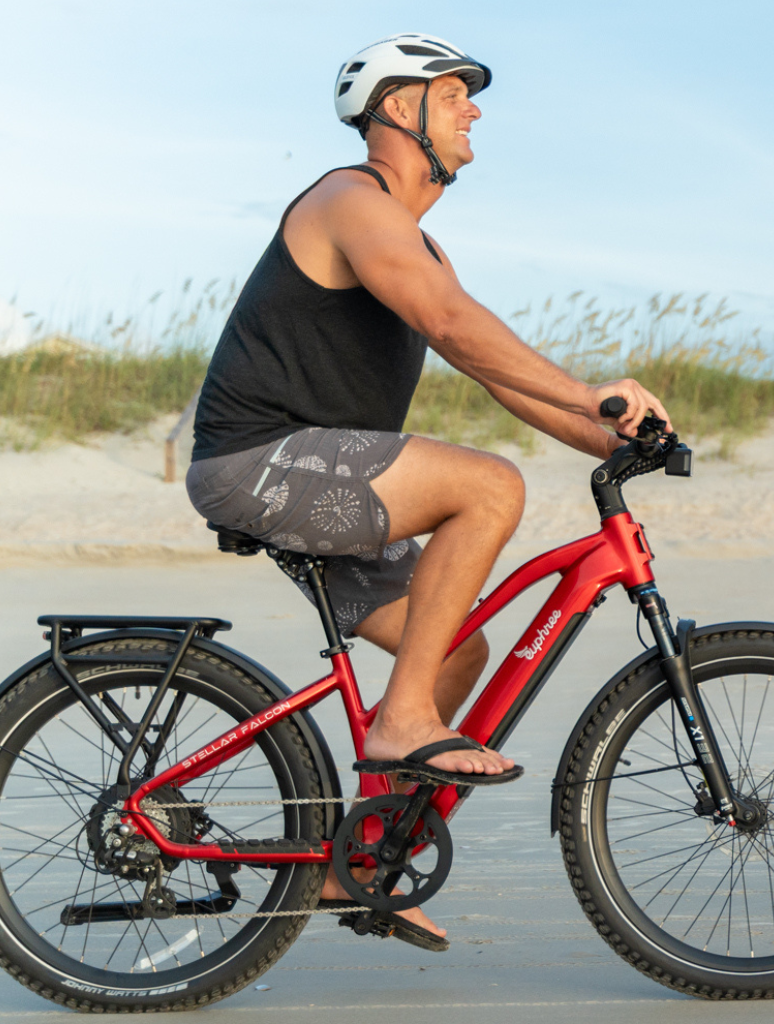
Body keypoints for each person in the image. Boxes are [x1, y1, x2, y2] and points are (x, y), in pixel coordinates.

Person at [187, 32, 672, 947]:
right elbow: (447, 324)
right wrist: (586, 388)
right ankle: (400, 723)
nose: (473, 109)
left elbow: (495, 375)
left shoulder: (422, 244)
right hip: (260, 462)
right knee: (488, 489)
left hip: (326, 478)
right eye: (453, 94)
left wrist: (609, 430)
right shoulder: (349, 199)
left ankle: (358, 860)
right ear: (396, 109)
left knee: (454, 651)